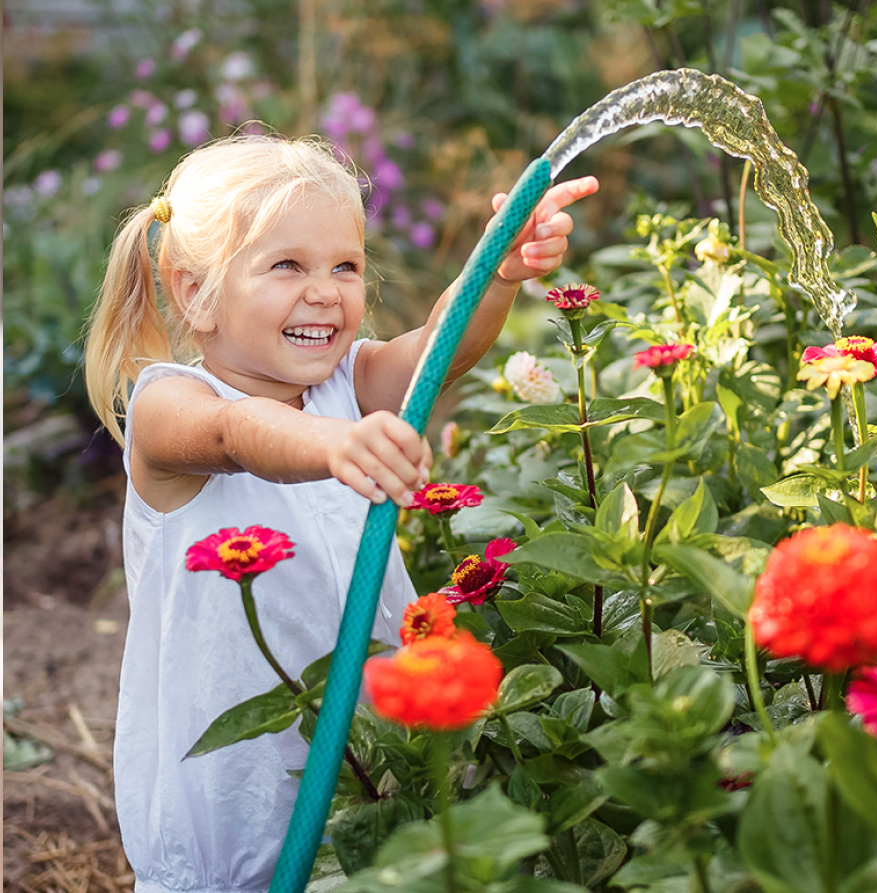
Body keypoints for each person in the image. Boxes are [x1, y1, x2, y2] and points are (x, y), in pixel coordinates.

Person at [84, 132, 598, 893]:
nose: (325, 290)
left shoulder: (344, 383)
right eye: (286, 265)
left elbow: (438, 349)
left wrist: (496, 274)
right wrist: (333, 443)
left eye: (345, 266)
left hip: (365, 764)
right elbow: (238, 434)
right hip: (232, 802)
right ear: (193, 290)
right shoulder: (170, 405)